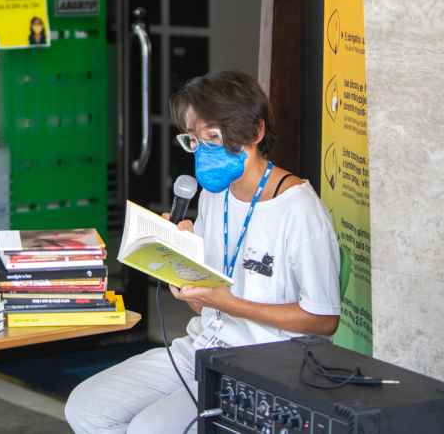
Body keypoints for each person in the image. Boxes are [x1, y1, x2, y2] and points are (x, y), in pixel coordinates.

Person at [64, 71, 341, 434]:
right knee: (86, 407)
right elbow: (208, 300)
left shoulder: (300, 210)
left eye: (212, 136)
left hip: (264, 364)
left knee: (149, 430)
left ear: (255, 133)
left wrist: (227, 304)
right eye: (193, 140)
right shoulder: (215, 194)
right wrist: (183, 263)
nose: (202, 150)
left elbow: (323, 320)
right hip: (203, 344)